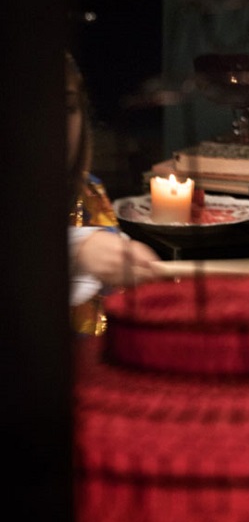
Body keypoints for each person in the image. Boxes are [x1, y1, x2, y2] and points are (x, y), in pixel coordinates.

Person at [66, 52, 159, 335]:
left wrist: (131, 262)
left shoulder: (89, 190)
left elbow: (107, 262)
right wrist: (79, 249)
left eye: (67, 107)